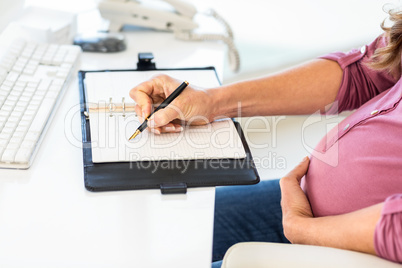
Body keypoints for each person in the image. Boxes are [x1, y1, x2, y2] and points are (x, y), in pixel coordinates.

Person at [130, 7, 402, 266]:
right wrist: (211, 101)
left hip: (360, 249)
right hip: (299, 205)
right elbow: (372, 69)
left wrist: (306, 230)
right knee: (159, 234)